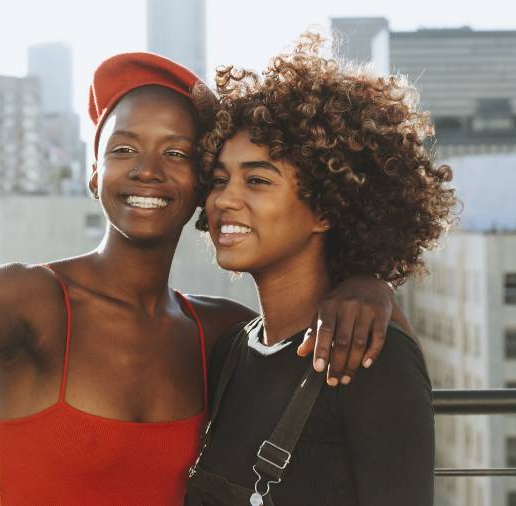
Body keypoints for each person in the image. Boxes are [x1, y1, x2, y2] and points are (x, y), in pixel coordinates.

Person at [0, 49, 409, 505]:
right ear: (93, 174)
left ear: (202, 184)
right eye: (123, 149)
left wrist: (366, 282)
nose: (147, 170)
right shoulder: (28, 300)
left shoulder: (225, 334)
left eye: (176, 152)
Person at [186, 33, 457, 506]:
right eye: (218, 179)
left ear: (327, 209)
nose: (224, 200)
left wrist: (378, 289)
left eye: (257, 180)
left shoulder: (371, 357)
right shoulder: (232, 350)